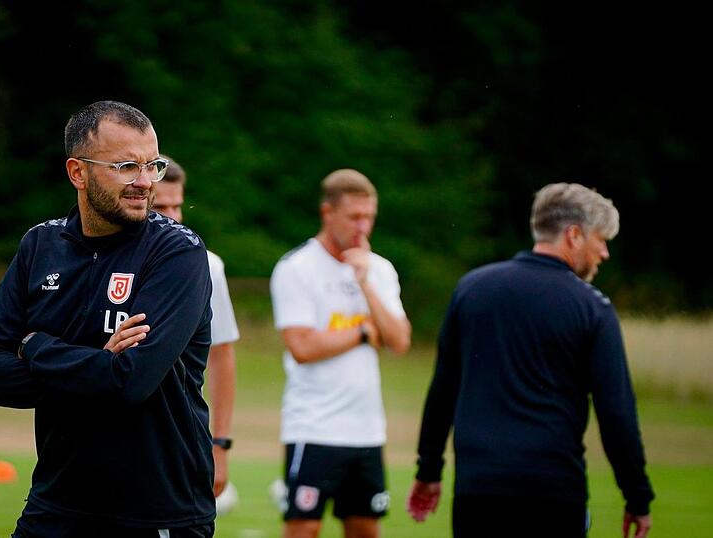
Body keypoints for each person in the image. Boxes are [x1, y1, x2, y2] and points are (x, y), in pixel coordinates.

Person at [0, 100, 216, 537]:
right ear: (77, 173)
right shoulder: (40, 246)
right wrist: (96, 364)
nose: (144, 182)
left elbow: (130, 382)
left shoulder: (176, 253)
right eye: (126, 166)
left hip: (158, 513)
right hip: (56, 506)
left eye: (152, 166)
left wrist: (35, 346)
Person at [407, 183, 654, 538]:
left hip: (478, 490)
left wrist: (428, 470)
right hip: (552, 493)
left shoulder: (472, 289)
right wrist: (637, 496)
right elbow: (616, 412)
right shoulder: (592, 308)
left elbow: (444, 389)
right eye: (601, 240)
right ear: (573, 235)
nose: (604, 253)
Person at [270, 169, 412, 538]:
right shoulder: (296, 268)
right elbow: (302, 347)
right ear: (327, 213)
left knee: (365, 528)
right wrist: (365, 331)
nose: (363, 226)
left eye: (369, 217)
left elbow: (399, 341)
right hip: (314, 426)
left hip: (366, 431)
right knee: (303, 528)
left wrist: (365, 284)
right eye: (354, 217)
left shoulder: (379, 270)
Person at [152, 158, 239, 500]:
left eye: (177, 205)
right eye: (161, 206)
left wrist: (220, 444)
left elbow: (222, 355)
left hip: (181, 439)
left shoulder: (207, 266)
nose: (173, 216)